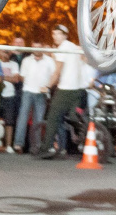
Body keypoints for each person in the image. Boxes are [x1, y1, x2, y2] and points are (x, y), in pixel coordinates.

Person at [39, 25, 83, 159]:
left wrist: (47, 85)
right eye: (54, 34)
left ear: (65, 35)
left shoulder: (62, 48)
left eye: (58, 34)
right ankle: (81, 138)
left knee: (53, 117)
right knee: (72, 117)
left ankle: (47, 148)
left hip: (66, 89)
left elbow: (57, 71)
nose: (56, 37)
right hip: (78, 88)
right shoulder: (73, 47)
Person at [14, 44, 55, 153]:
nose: (36, 49)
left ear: (42, 47)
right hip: (28, 91)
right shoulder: (27, 60)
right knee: (23, 117)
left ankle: (36, 145)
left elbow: (54, 76)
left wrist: (47, 87)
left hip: (41, 92)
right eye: (34, 47)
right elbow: (22, 76)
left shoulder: (49, 61)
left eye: (38, 46)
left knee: (39, 120)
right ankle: (19, 144)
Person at [0, 46, 22, 152]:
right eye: (3, 52)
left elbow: (16, 79)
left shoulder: (14, 64)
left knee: (9, 121)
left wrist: (1, 77)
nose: (5, 54)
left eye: (7, 52)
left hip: (10, 95)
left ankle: (8, 145)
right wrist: (8, 77)